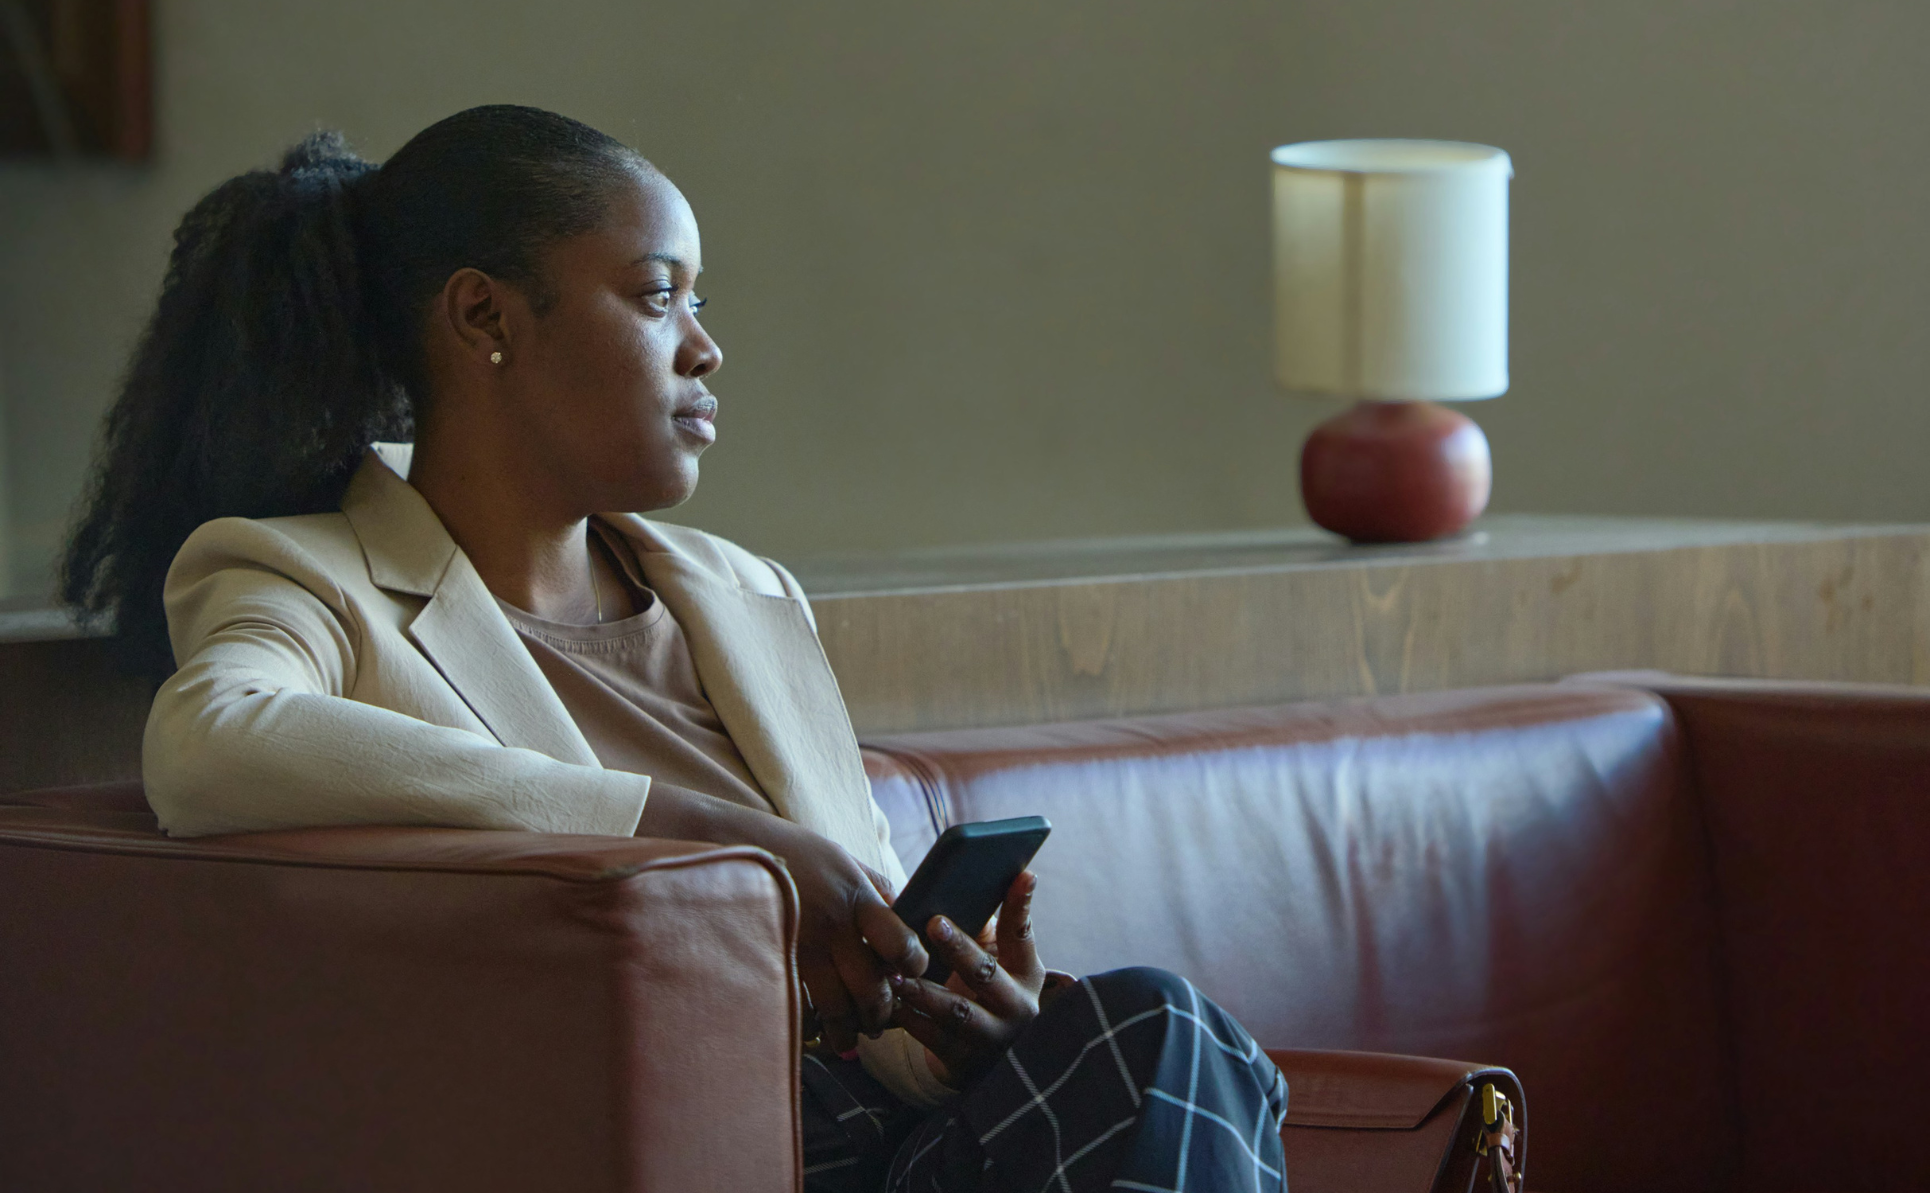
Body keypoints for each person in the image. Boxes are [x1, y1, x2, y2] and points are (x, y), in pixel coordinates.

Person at [61, 105, 1290, 1191]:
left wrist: (954, 1026)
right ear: (483, 315)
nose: (704, 346)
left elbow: (860, 1019)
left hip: (862, 1139)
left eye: (700, 301)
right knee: (1161, 1038)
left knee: (1148, 1037)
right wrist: (709, 837)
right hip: (627, 1149)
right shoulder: (303, 574)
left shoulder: (746, 596)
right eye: (659, 296)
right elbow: (210, 740)